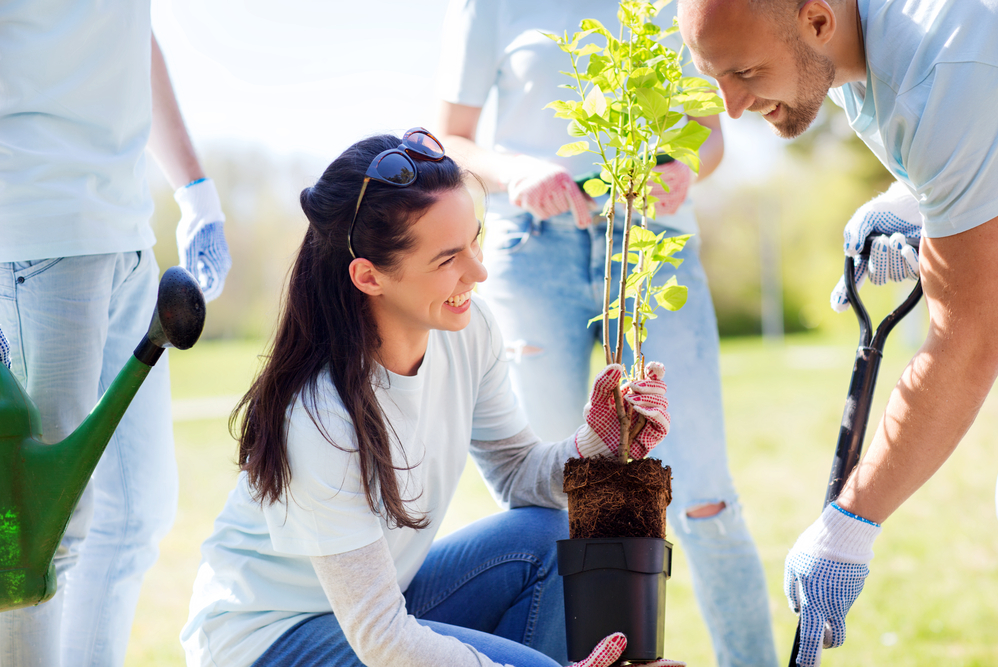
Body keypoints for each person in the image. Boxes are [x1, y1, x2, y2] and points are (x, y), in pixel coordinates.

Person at [180, 130, 682, 667]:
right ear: (369, 276)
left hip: (375, 611)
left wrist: (598, 443)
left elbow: (516, 474)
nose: (479, 271)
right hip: (269, 639)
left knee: (547, 538)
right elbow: (382, 639)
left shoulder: (468, 331)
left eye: (475, 239)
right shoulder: (320, 415)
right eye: (448, 260)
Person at [434, 2, 778, 666]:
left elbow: (709, 132)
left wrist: (681, 165)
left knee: (705, 495)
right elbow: (450, 139)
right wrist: (516, 174)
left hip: (653, 248)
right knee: (551, 503)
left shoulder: (684, 7)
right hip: (533, 251)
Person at [676, 0, 998, 664]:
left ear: (817, 21)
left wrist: (850, 526)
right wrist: (911, 199)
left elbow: (970, 338)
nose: (730, 107)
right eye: (716, 79)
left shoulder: (945, 69)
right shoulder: (849, 64)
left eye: (745, 71)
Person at [0, 1, 231, 664]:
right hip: (34, 228)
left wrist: (196, 189)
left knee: (134, 515)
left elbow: (130, 33)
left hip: (122, 232)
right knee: (38, 532)